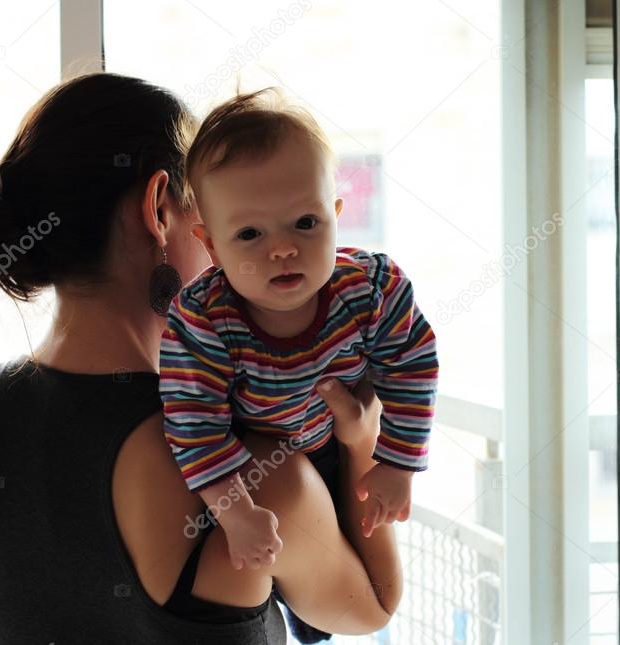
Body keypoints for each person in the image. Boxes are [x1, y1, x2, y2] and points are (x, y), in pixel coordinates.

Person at [0, 72, 402, 644]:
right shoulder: (250, 472)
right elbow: (374, 606)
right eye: (222, 223)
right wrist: (361, 443)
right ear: (159, 209)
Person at [159, 90, 438, 588]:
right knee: (279, 561)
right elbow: (195, 427)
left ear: (335, 214)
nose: (284, 249)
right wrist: (236, 511)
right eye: (250, 235)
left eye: (306, 223)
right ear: (211, 246)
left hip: (336, 445)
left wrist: (399, 461)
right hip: (250, 467)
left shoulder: (370, 289)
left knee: (365, 555)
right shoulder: (203, 320)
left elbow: (412, 365)